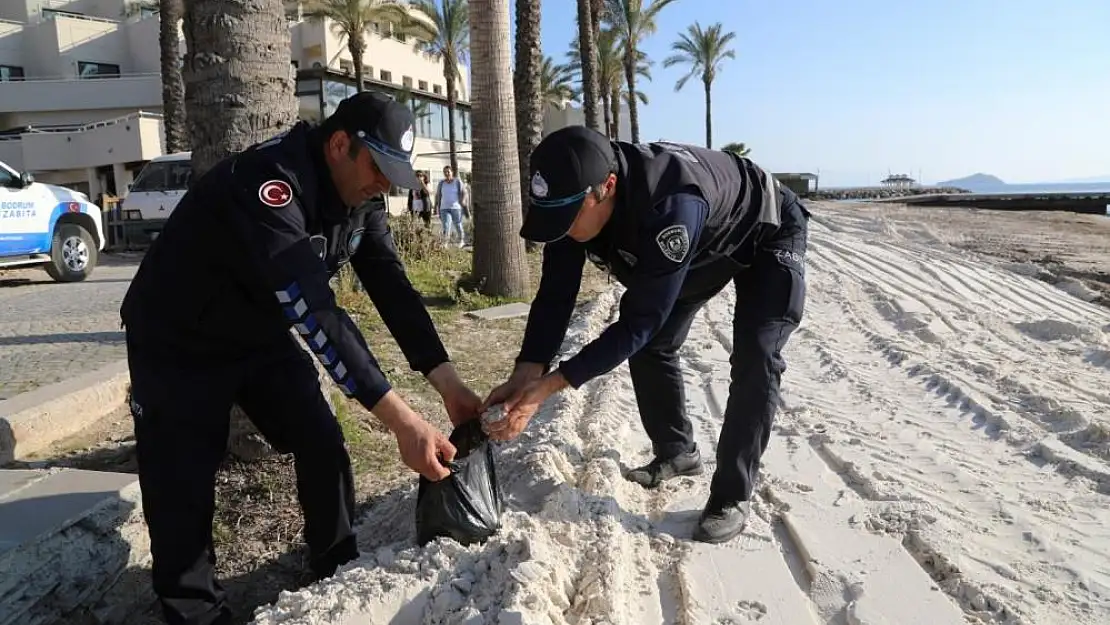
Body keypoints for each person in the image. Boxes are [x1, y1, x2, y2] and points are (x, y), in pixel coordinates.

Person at [120, 91, 482, 625]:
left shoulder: (361, 200)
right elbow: (318, 314)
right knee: (182, 479)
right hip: (179, 338)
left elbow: (394, 290)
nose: (383, 185)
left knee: (320, 439)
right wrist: (404, 423)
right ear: (340, 145)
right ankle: (194, 612)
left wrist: (447, 383)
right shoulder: (269, 184)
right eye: (378, 169)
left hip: (255, 333)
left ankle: (335, 568)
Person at [482, 125, 810, 544]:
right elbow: (554, 297)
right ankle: (677, 452)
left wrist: (550, 386)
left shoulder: (669, 206)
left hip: (766, 227)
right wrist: (525, 374)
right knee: (654, 346)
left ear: (608, 187)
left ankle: (732, 495)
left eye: (568, 217)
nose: (561, 229)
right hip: (705, 246)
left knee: (757, 356)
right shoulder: (573, 199)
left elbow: (640, 320)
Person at [435, 165, 467, 247]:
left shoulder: (457, 182)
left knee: (458, 224)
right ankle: (445, 242)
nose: (446, 173)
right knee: (446, 225)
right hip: (444, 208)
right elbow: (438, 195)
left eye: (448, 172)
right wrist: (437, 207)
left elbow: (464, 192)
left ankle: (461, 240)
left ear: (451, 172)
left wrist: (463, 200)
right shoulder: (441, 183)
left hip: (455, 207)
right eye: (445, 172)